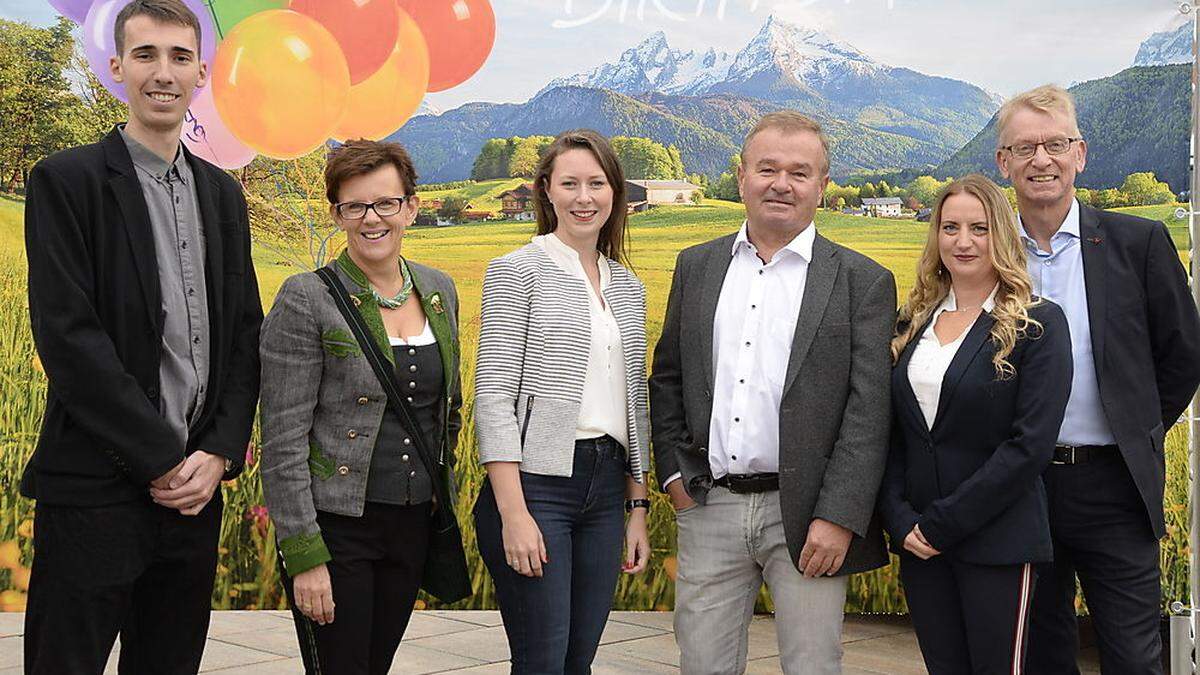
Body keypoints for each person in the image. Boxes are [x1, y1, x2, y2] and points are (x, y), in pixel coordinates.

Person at [20, 1, 262, 672]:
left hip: (195, 495)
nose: (164, 72)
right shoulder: (65, 182)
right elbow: (70, 340)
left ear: (201, 73)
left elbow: (246, 335)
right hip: (97, 492)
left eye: (180, 57)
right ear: (117, 66)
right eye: (148, 55)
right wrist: (163, 458)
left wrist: (215, 453)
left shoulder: (222, 196)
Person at [650, 111, 895, 674]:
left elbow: (868, 411)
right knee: (703, 665)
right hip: (709, 506)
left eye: (799, 172)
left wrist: (840, 516)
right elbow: (667, 378)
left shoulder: (863, 280)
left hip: (811, 519)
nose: (781, 183)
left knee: (812, 665)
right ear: (741, 178)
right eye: (767, 169)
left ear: (822, 187)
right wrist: (673, 476)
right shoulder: (698, 266)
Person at [997, 85, 1200, 673]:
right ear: (1003, 163)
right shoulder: (986, 248)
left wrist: (1136, 427)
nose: (1042, 159)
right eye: (1025, 147)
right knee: (1040, 649)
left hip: (1114, 483)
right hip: (1019, 485)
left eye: (1055, 144)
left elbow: (1182, 353)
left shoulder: (1138, 243)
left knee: (1133, 652)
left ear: (1079, 154)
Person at [259, 139, 471, 674]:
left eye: (385, 203)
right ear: (337, 214)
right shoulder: (307, 297)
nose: (371, 218)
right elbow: (282, 440)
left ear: (411, 207)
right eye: (355, 206)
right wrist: (303, 555)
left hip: (412, 526)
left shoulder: (439, 290)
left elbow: (449, 410)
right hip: (337, 527)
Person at [472, 128, 651, 674]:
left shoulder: (627, 285)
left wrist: (637, 507)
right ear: (546, 191)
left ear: (615, 193)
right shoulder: (517, 270)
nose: (584, 197)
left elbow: (634, 401)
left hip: (604, 488)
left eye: (596, 183)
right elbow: (494, 395)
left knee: (579, 662)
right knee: (542, 661)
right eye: (569, 183)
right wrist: (514, 513)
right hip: (538, 487)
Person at [878, 174, 1072, 673]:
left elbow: (1027, 448)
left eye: (979, 228)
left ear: (1002, 236)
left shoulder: (1037, 324)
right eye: (950, 227)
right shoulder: (911, 321)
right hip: (920, 544)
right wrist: (900, 520)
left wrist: (944, 523)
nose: (962, 242)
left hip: (997, 543)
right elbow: (896, 432)